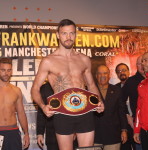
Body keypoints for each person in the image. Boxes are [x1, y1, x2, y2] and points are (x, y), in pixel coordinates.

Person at [31, 19, 104, 150]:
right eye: (64, 33)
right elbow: (35, 88)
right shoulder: (49, 61)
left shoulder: (84, 59)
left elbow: (92, 85)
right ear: (58, 35)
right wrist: (43, 106)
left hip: (85, 111)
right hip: (62, 113)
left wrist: (99, 101)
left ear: (76, 35)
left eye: (71, 33)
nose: (68, 37)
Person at [94, 65, 128, 150]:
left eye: (105, 73)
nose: (102, 76)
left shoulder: (117, 90)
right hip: (94, 136)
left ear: (109, 75)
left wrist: (124, 130)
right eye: (100, 73)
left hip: (113, 135)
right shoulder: (90, 91)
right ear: (96, 76)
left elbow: (121, 111)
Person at [0, 58, 30, 150]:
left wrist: (26, 134)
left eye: (9, 70)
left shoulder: (16, 91)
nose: (6, 73)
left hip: (12, 132)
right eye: (3, 70)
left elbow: (21, 113)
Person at [122, 55, 145, 150]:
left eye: (145, 61)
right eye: (140, 63)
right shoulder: (131, 82)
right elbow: (120, 101)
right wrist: (128, 116)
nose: (143, 65)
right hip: (138, 125)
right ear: (136, 65)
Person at [115, 63, 135, 150]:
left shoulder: (137, 85)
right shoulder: (114, 88)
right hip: (123, 126)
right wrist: (127, 116)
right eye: (119, 71)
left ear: (129, 71)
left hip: (138, 123)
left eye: (124, 70)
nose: (122, 72)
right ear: (116, 74)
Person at [134, 51, 148, 150]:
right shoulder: (142, 84)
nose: (143, 63)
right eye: (142, 61)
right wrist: (136, 130)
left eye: (145, 60)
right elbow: (139, 109)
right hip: (144, 131)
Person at [36, 82, 59, 150]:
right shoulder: (44, 88)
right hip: (52, 134)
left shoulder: (70, 85)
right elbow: (41, 112)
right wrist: (40, 133)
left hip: (71, 132)